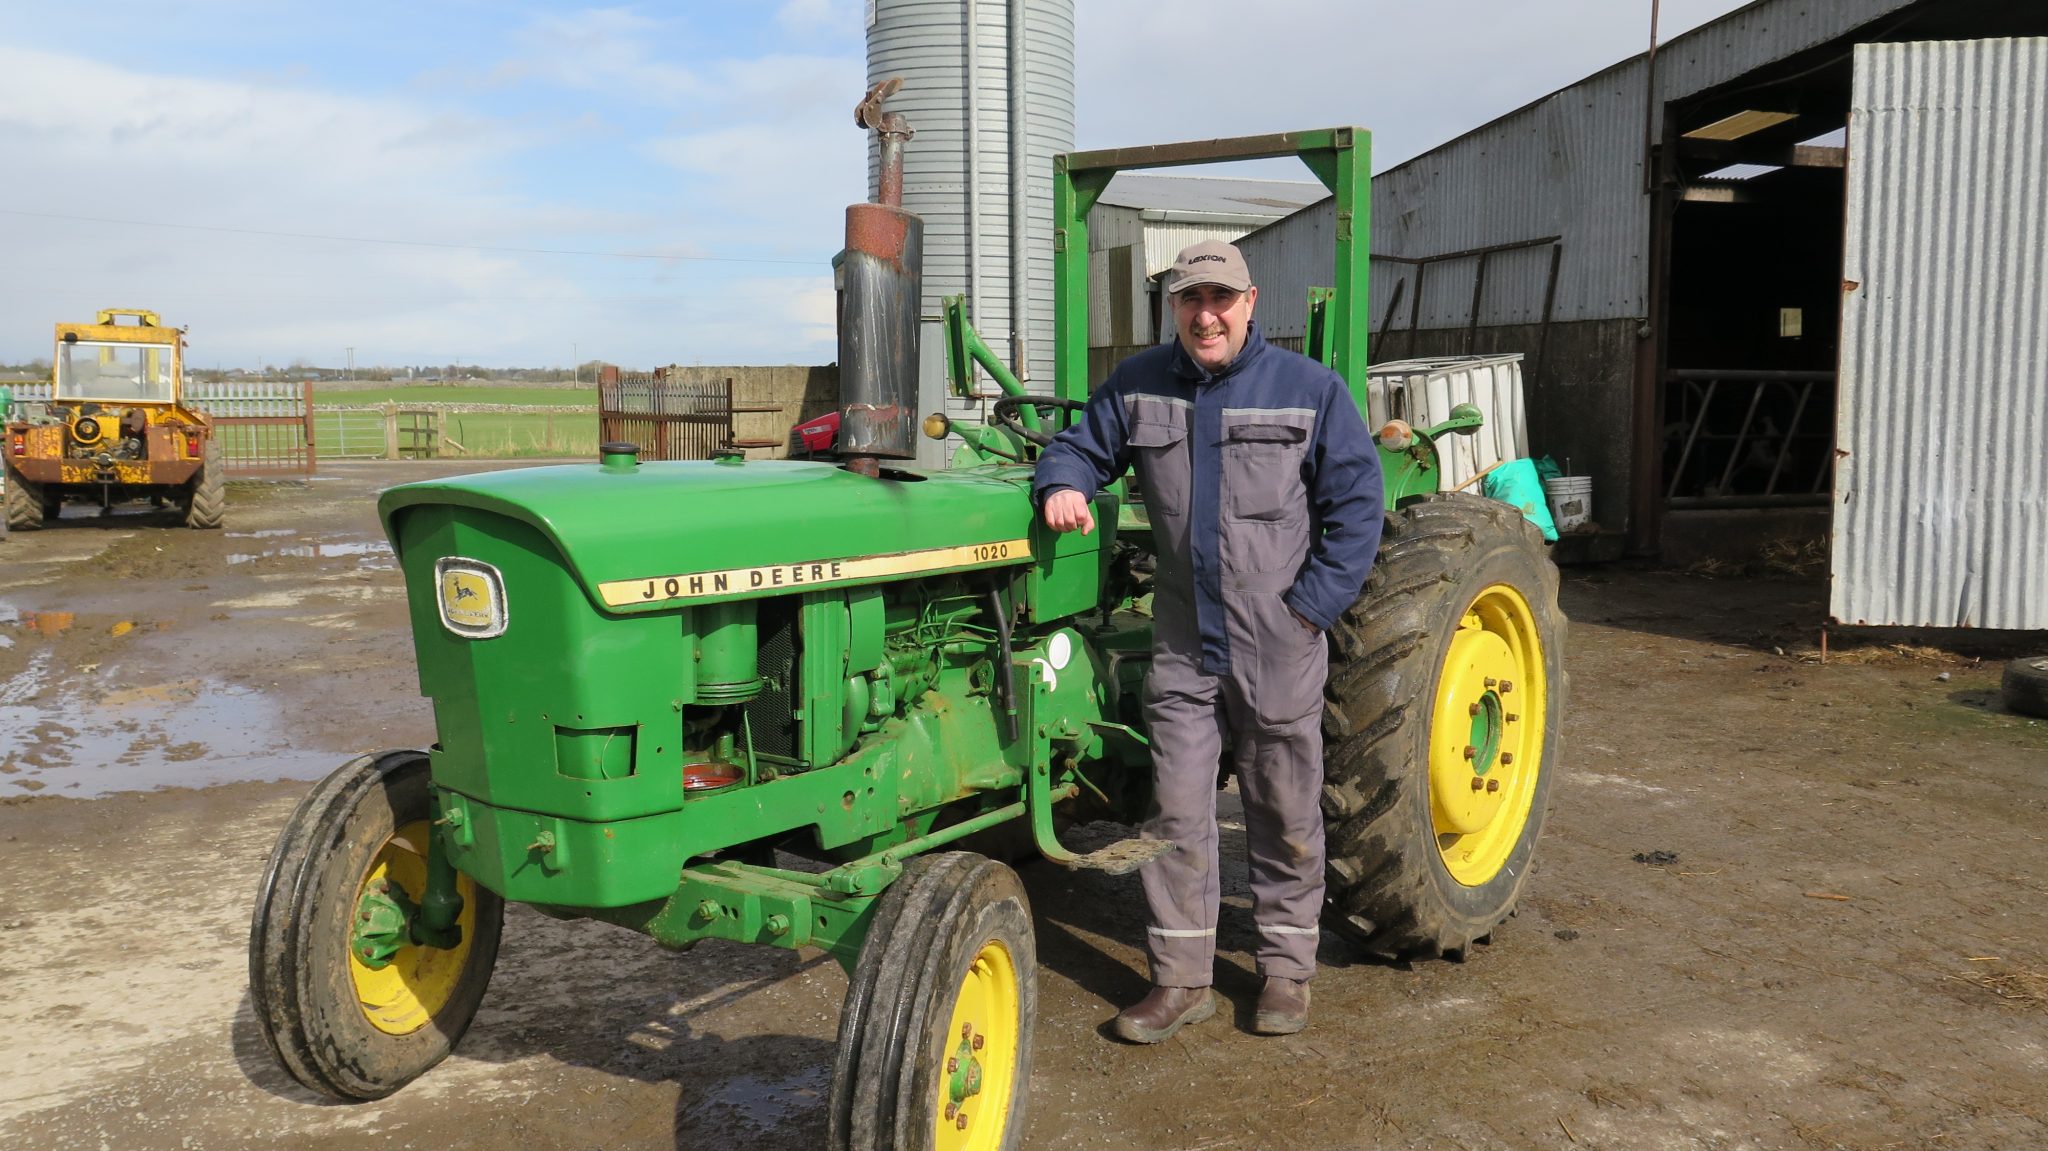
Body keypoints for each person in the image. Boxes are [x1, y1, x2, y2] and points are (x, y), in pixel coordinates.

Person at [1032, 239, 1382, 1040]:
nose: (1206, 314)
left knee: (1283, 809)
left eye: (1220, 298)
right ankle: (1179, 978)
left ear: (1251, 301)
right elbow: (1079, 445)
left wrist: (1309, 611)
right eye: (1192, 299)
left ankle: (1286, 973)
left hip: (1278, 640)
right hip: (1186, 641)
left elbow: (1357, 508)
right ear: (1176, 309)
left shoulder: (1309, 391)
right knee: (1177, 812)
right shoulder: (1139, 384)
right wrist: (1062, 484)